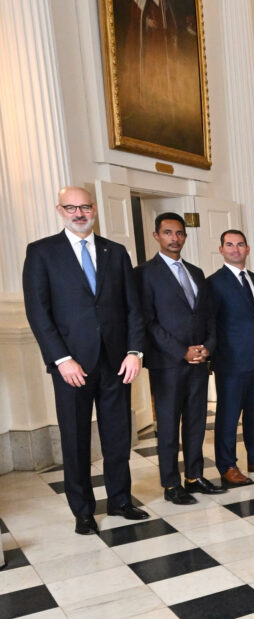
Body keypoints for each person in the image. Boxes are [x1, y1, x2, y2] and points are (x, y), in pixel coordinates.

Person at [22, 185, 148, 534]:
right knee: (76, 440)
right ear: (60, 210)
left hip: (116, 363)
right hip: (72, 365)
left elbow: (133, 308)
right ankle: (83, 510)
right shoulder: (42, 252)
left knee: (118, 437)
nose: (79, 213)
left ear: (94, 209)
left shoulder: (116, 252)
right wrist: (62, 359)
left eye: (85, 207)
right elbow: (39, 312)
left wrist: (135, 352)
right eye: (71, 208)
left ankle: (121, 501)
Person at [136, 212, 225, 505]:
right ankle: (171, 483)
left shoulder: (197, 272)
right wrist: (181, 351)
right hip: (168, 364)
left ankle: (194, 476)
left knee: (197, 422)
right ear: (156, 236)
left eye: (179, 233)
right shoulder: (144, 274)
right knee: (169, 424)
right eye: (168, 233)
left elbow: (208, 315)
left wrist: (207, 347)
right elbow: (148, 322)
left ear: (185, 237)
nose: (175, 238)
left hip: (199, 362)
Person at [208, 230, 254, 485]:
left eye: (240, 245)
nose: (235, 249)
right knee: (228, 416)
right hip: (231, 362)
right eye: (230, 245)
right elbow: (211, 324)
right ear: (221, 249)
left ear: (247, 249)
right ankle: (227, 466)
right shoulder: (214, 283)